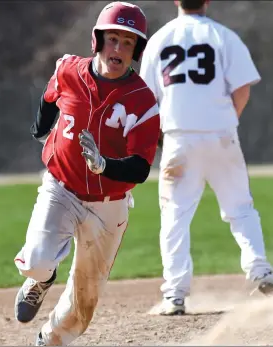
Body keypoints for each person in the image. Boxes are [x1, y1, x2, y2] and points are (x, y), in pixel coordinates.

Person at [13, 2, 160, 345]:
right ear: (97, 41)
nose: (119, 49)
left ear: (136, 51)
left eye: (128, 43)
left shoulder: (143, 101)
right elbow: (50, 97)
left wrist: (105, 165)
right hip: (61, 187)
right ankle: (40, 280)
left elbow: (139, 167)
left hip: (109, 204)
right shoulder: (68, 70)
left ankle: (50, 339)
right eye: (113, 39)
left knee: (85, 299)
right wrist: (41, 130)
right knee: (36, 261)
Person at [140, 0, 273, 315]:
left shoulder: (159, 39)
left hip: (178, 139)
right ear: (208, 1)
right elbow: (242, 89)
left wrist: (158, 135)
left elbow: (147, 97)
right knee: (240, 208)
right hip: (221, 135)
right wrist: (226, 122)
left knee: (175, 218)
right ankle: (261, 271)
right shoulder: (223, 35)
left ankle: (174, 296)